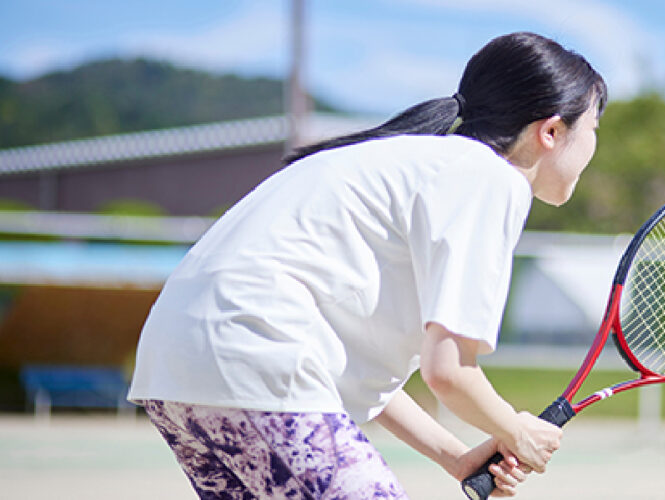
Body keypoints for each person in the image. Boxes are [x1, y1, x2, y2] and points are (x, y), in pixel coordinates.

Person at [128, 31, 606, 499]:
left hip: (175, 373)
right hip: (255, 359)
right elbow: (449, 373)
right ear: (551, 131)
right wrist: (515, 429)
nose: (593, 146)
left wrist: (456, 457)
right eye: (593, 129)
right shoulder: (490, 179)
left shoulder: (416, 162)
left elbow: (359, 372)